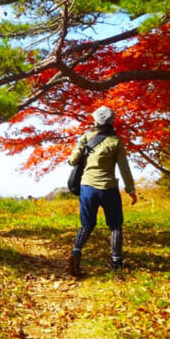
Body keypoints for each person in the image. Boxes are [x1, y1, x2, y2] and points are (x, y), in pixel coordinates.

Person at [66, 106, 137, 277]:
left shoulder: (85, 137)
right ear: (112, 122)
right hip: (109, 189)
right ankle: (116, 262)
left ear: (95, 121)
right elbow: (124, 168)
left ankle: (76, 253)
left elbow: (72, 160)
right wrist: (130, 190)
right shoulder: (116, 142)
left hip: (87, 187)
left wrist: (80, 150)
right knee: (115, 226)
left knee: (87, 225)